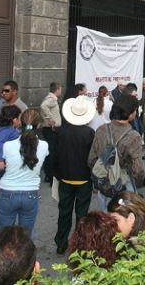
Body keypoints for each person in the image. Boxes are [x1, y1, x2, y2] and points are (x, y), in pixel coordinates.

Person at [0, 108, 49, 238]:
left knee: (4, 237)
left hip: (8, 192)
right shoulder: (44, 145)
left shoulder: (7, 145)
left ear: (20, 122)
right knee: (26, 238)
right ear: (39, 125)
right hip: (30, 193)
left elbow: (3, 163)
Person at [88, 94, 145, 211]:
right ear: (130, 113)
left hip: (104, 184)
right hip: (124, 184)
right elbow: (137, 169)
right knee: (123, 218)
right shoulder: (134, 136)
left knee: (106, 217)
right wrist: (140, 180)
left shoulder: (101, 129)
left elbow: (91, 159)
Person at [54, 95, 96, 255]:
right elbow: (92, 158)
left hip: (65, 177)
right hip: (84, 179)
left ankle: (61, 242)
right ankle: (80, 244)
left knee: (64, 212)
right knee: (82, 214)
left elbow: (54, 156)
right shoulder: (89, 133)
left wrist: (56, 174)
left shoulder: (60, 132)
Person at [0, 105, 22, 190]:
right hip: (0, 154)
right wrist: (0, 160)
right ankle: (1, 186)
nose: (20, 121)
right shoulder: (10, 131)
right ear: (14, 120)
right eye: (19, 118)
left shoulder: (4, 129)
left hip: (2, 155)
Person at [40, 82, 63, 183]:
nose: (61, 91)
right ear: (57, 89)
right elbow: (43, 106)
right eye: (60, 89)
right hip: (52, 129)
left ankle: (49, 175)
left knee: (50, 152)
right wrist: (50, 119)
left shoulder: (50, 98)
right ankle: (51, 176)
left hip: (50, 129)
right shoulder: (52, 99)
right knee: (52, 153)